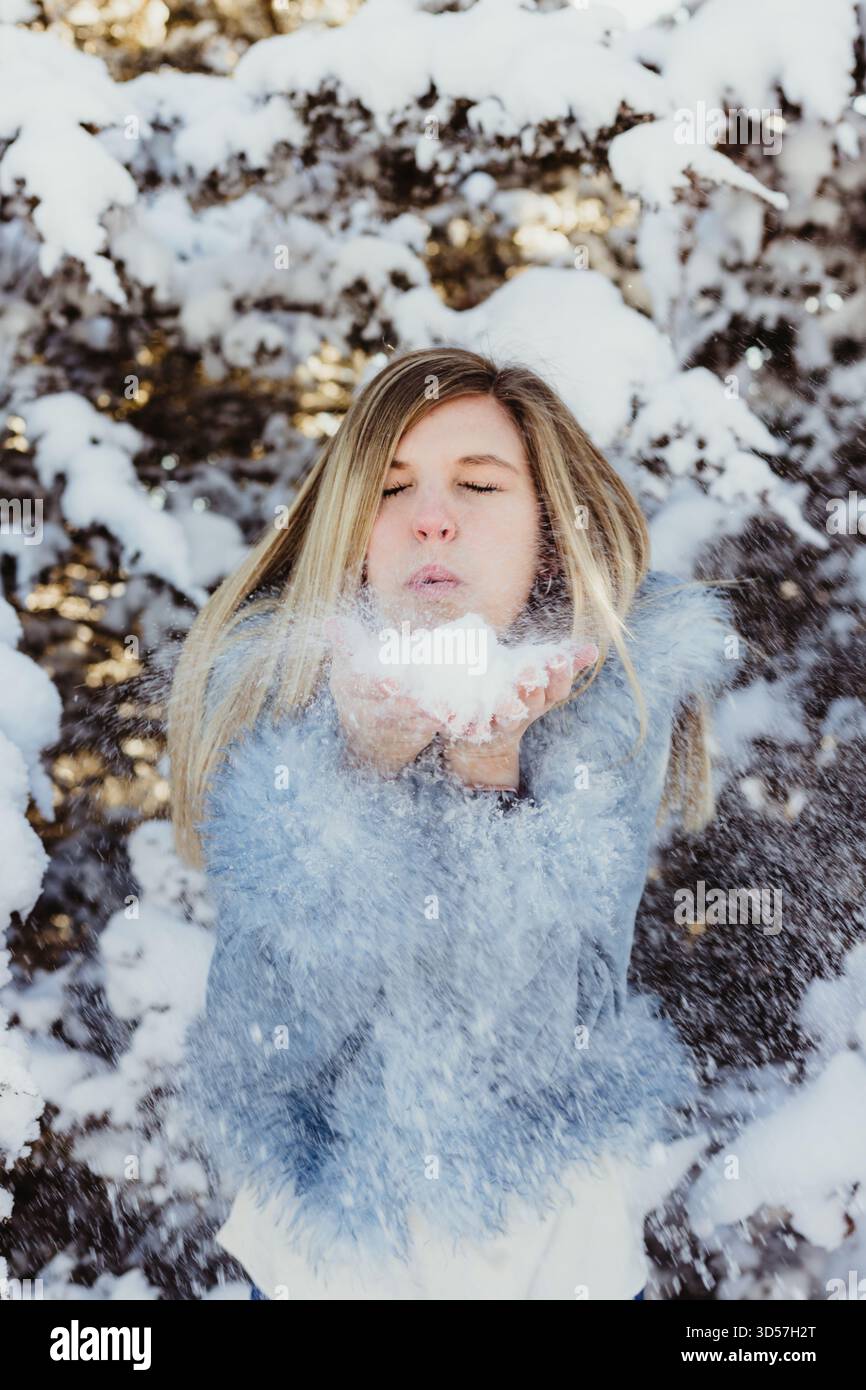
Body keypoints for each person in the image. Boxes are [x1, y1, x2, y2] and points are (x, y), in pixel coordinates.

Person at [167, 346, 738, 1300]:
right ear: (354, 534)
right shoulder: (286, 695)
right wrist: (361, 773)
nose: (431, 517)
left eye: (479, 484)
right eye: (390, 491)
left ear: (548, 537)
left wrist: (489, 778)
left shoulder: (603, 702)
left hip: (557, 1266)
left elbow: (542, 1049)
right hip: (322, 1273)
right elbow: (264, 1050)